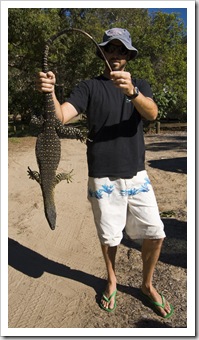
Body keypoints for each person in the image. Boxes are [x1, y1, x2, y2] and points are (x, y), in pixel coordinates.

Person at [36, 27, 174, 318]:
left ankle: (146, 285)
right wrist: (50, 92)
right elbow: (61, 116)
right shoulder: (89, 87)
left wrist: (132, 92)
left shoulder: (140, 84)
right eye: (110, 49)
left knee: (156, 234)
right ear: (102, 52)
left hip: (137, 175)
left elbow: (152, 114)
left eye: (121, 50)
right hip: (102, 176)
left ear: (128, 56)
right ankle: (111, 279)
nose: (115, 54)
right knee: (110, 238)